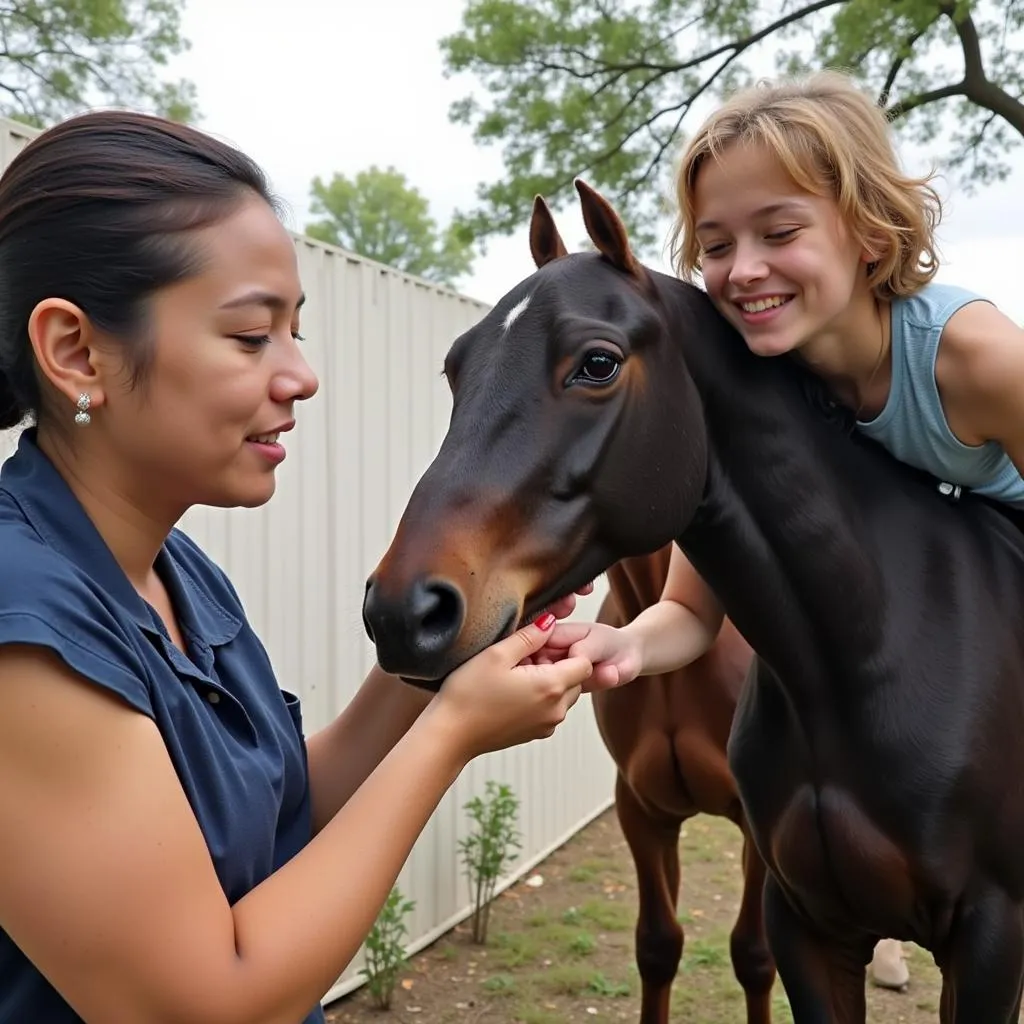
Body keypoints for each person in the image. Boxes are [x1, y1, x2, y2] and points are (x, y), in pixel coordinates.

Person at [0, 111, 597, 1024]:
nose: (302, 376)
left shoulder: (175, 574)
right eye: (250, 337)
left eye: (295, 329)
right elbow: (209, 1006)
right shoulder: (24, 631)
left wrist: (441, 663)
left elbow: (283, 812)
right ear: (77, 351)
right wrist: (452, 735)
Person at [540, 69, 1024, 991]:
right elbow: (691, 608)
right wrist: (621, 643)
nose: (743, 269)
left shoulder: (975, 357)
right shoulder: (770, 382)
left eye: (780, 232)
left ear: (870, 230)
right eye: (715, 244)